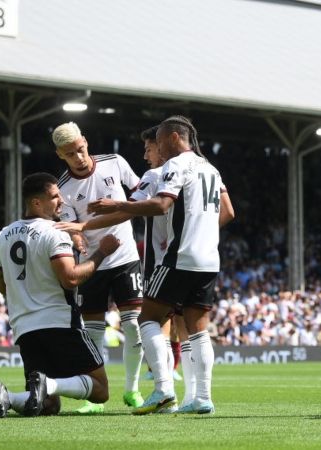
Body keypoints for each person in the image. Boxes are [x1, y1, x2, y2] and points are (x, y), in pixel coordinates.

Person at [87, 116, 231, 415]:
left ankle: (163, 390)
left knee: (148, 319)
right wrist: (200, 228)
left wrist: (118, 205)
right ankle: (202, 397)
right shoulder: (211, 169)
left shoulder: (175, 166)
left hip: (178, 258)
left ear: (176, 137)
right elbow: (228, 212)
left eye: (161, 140)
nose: (159, 148)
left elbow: (161, 205)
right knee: (197, 329)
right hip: (209, 259)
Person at [0, 172, 119, 418]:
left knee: (48, 406)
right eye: (55, 196)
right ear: (37, 203)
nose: (62, 201)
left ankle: (8, 397)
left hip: (24, 327)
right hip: (59, 322)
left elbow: (3, 287)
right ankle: (48, 383)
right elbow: (70, 279)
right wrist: (102, 252)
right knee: (100, 389)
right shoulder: (55, 232)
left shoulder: (2, 236)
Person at [53, 122, 145, 413]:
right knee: (92, 332)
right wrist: (78, 240)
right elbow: (71, 227)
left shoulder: (115, 163)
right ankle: (96, 396)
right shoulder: (63, 188)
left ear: (86, 142)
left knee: (132, 325)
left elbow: (142, 194)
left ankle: (132, 390)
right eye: (70, 154)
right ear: (60, 155)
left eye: (80, 150)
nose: (78, 157)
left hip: (126, 256)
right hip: (92, 265)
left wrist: (118, 205)